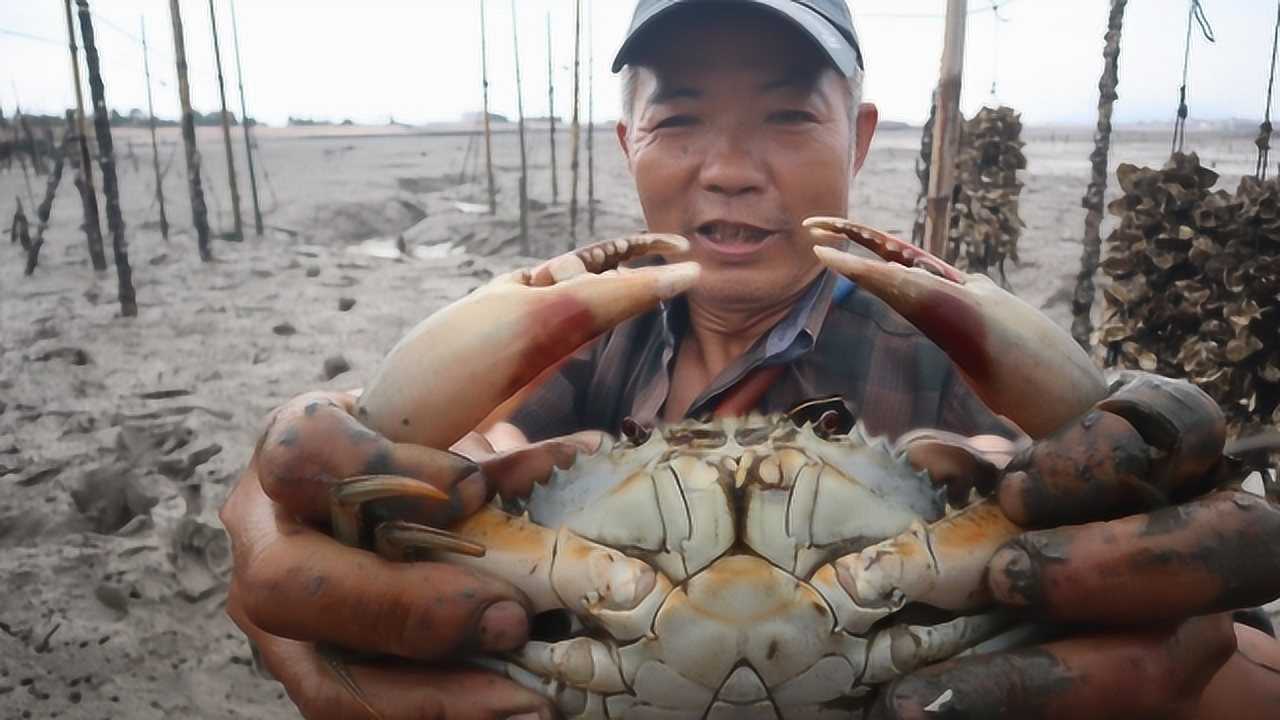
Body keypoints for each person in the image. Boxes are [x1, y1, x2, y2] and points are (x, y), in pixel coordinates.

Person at [220, 1, 1280, 718]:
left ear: (859, 139)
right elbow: (390, 456)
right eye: (679, 119)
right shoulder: (577, 356)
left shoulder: (954, 375)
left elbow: (1146, 544)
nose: (729, 169)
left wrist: (1193, 634)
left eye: (785, 116)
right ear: (625, 142)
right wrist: (301, 509)